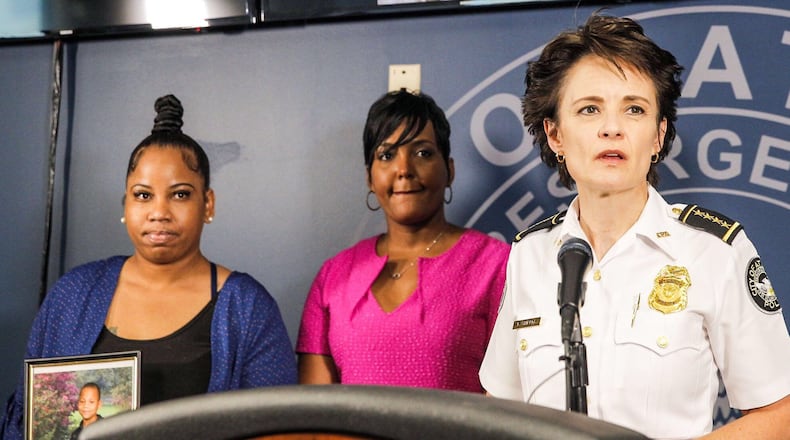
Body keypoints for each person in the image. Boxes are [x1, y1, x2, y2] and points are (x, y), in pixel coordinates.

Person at [478, 13, 790, 439]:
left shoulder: (713, 251)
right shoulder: (530, 254)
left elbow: (780, 412)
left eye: (635, 110)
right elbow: (500, 408)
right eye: (589, 109)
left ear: (659, 135)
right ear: (555, 135)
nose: (612, 128)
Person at [1, 95, 297, 439]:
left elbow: (280, 429)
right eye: (143, 195)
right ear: (125, 204)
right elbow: (27, 417)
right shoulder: (72, 294)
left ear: (208, 204)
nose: (159, 212)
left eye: (180, 194)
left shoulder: (248, 309)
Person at [296, 90, 509, 392]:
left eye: (423, 153)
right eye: (386, 155)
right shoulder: (333, 277)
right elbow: (314, 415)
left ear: (449, 170)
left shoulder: (497, 265)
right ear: (370, 177)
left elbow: (509, 402)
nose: (404, 170)